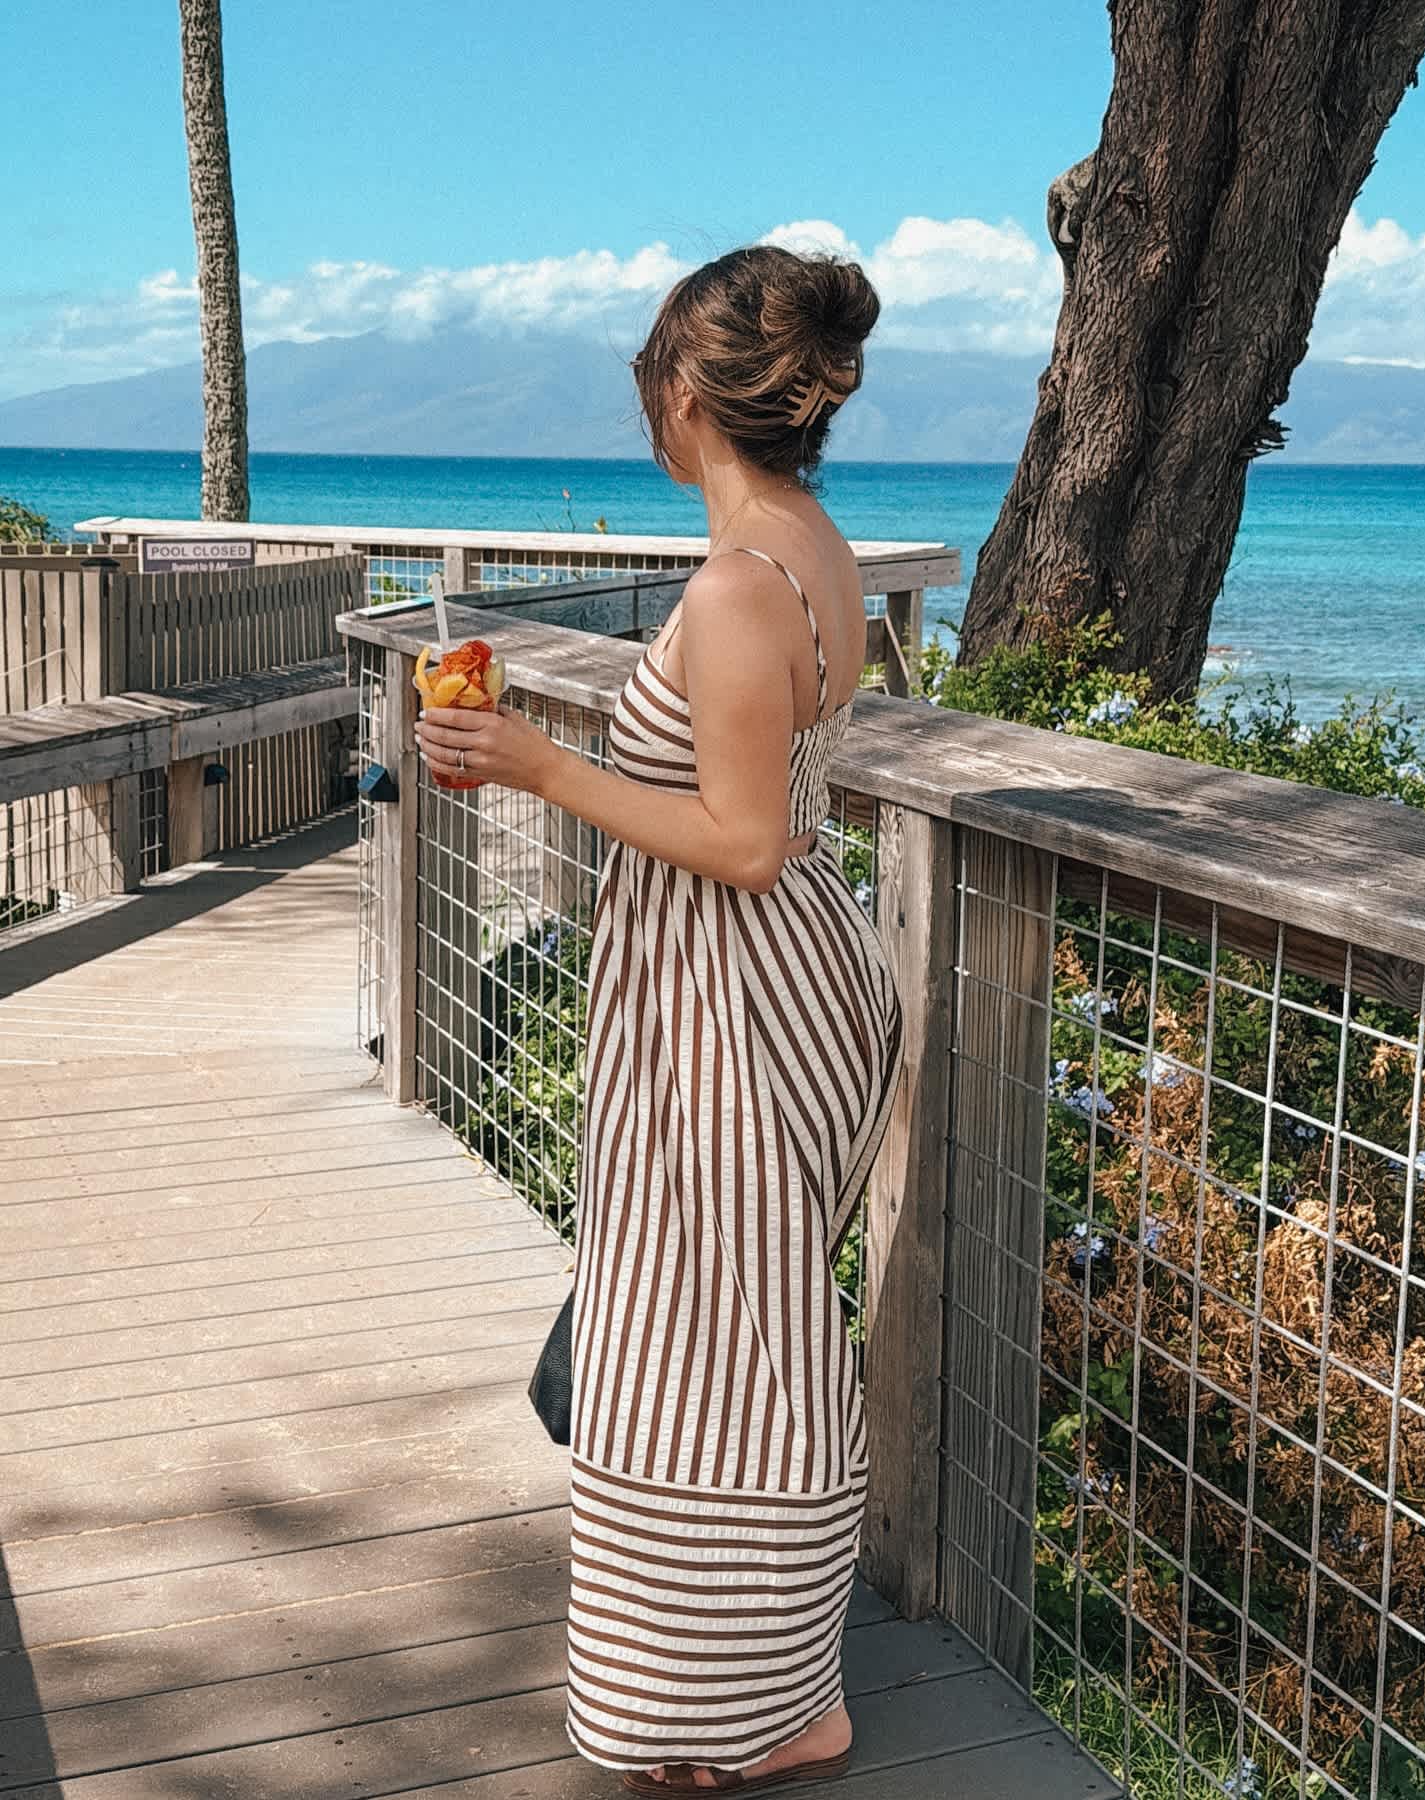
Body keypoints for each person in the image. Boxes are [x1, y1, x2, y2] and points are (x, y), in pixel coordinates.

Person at [414, 244, 905, 1795]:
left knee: (699, 1346)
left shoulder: (737, 585)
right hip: (781, 990)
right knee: (748, 1334)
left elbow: (744, 839)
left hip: (736, 1010)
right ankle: (774, 1689)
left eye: (647, 380)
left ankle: (723, 1714)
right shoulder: (810, 547)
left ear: (684, 393)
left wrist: (539, 765)